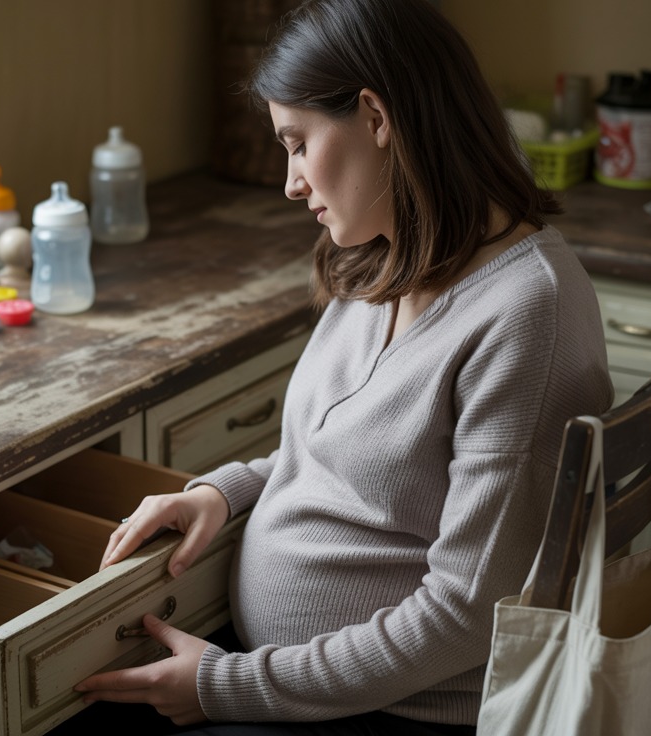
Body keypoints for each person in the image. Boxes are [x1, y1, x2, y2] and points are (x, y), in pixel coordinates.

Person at [71, 0, 613, 732]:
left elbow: (464, 614)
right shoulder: (391, 254)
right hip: (297, 680)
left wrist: (223, 686)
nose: (292, 181)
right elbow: (350, 461)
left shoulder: (526, 313)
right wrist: (225, 495)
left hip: (400, 708)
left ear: (375, 117)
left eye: (298, 142)